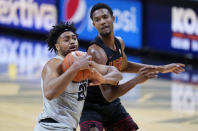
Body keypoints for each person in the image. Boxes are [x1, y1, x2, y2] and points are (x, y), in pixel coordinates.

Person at [79, 3, 185, 131]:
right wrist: (137, 80)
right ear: (93, 25)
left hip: (112, 105)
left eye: (105, 17)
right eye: (97, 19)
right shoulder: (96, 51)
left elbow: (124, 66)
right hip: (91, 106)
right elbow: (109, 94)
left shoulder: (119, 42)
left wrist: (162, 68)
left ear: (113, 19)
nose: (102, 21)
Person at [34, 22, 124, 131]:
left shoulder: (84, 60)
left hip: (68, 127)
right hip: (51, 127)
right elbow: (49, 93)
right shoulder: (53, 64)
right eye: (66, 40)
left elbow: (117, 74)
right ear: (57, 46)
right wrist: (75, 68)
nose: (72, 41)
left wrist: (103, 79)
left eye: (74, 38)